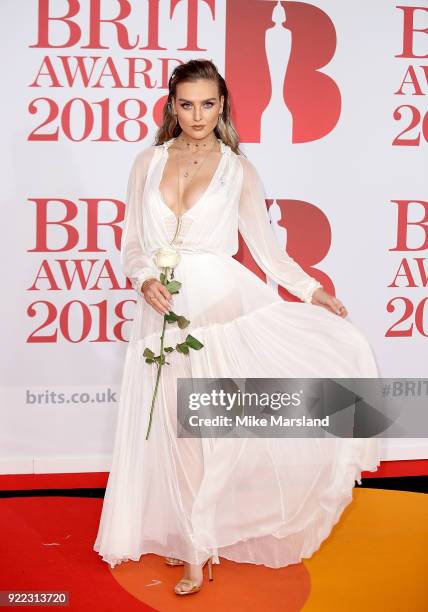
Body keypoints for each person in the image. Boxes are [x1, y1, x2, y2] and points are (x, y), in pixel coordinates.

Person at [93, 59, 382, 596]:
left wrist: (311, 290)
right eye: (186, 104)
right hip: (158, 312)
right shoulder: (146, 163)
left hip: (218, 308)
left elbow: (268, 253)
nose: (197, 115)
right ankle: (190, 540)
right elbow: (133, 242)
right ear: (171, 105)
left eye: (208, 103)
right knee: (173, 433)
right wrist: (140, 279)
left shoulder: (238, 171)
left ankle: (198, 552)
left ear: (221, 105)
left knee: (204, 430)